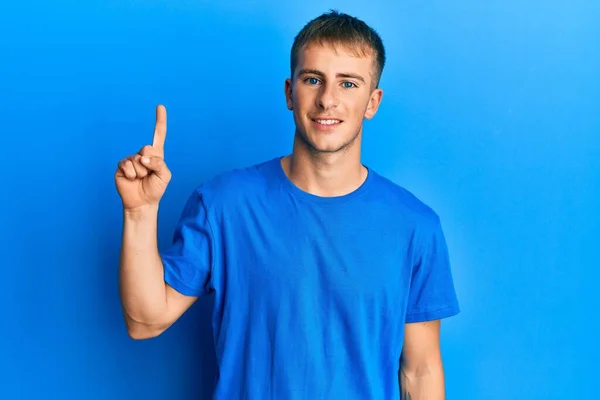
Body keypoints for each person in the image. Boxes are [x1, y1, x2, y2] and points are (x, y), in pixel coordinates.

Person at [115, 10, 460, 400]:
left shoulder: (415, 227)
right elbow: (145, 320)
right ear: (289, 92)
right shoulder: (224, 206)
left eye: (348, 83)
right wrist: (139, 213)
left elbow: (420, 370)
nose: (327, 99)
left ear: (372, 101)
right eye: (313, 79)